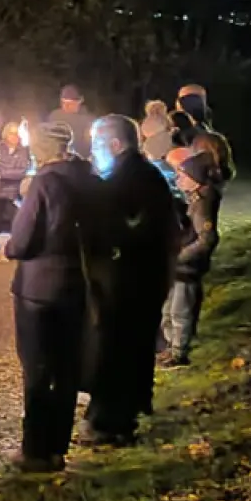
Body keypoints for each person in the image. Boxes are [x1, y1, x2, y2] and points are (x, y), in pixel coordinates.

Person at [83, 115, 179, 446]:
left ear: (115, 144)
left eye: (97, 144)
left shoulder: (127, 179)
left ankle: (111, 423)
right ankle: (128, 409)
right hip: (144, 278)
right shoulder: (142, 173)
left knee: (116, 350)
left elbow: (124, 230)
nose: (93, 151)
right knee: (133, 347)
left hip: (129, 282)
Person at [3, 122, 94, 473]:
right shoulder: (88, 178)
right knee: (67, 367)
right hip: (77, 284)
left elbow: (23, 241)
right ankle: (58, 447)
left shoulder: (44, 182)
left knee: (38, 369)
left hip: (39, 289)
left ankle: (35, 450)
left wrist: (9, 246)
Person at [160, 152, 222, 368]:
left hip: (186, 269)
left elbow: (207, 239)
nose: (179, 179)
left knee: (180, 310)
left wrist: (181, 257)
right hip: (178, 267)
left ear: (195, 179)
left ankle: (178, 353)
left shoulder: (202, 205)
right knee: (169, 309)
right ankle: (171, 347)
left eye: (183, 176)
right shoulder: (193, 199)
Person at [0, 121, 31, 237]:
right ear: (6, 135)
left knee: (13, 224)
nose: (15, 136)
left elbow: (21, 171)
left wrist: (3, 173)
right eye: (12, 133)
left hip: (14, 194)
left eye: (17, 134)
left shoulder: (23, 151)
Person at [47, 84, 96, 158]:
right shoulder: (55, 116)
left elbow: (91, 144)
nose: (67, 106)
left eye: (70, 103)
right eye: (64, 102)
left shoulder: (88, 120)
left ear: (80, 101)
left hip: (80, 159)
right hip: (57, 158)